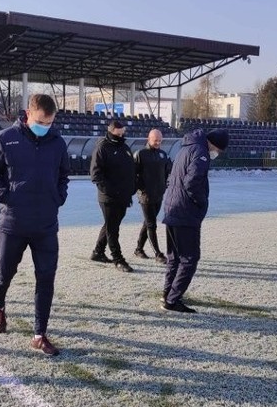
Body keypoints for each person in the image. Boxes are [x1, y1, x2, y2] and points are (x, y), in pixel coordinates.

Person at [0, 94, 69, 356]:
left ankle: (39, 334)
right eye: (42, 121)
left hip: (45, 224)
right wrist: (5, 195)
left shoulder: (57, 142)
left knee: (46, 277)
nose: (46, 126)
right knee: (4, 273)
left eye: (50, 122)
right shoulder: (6, 139)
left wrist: (59, 196)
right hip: (13, 223)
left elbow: (63, 175)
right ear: (29, 115)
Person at [161, 128, 228, 313]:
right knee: (190, 258)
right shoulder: (201, 153)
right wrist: (201, 202)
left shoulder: (185, 148)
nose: (217, 154)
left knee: (174, 257)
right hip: (185, 212)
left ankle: (167, 293)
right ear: (214, 145)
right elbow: (192, 182)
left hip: (172, 207)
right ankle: (173, 300)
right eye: (219, 150)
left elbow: (172, 179)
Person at [89, 120, 137, 272]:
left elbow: (130, 169)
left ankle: (98, 252)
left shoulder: (124, 147)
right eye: (118, 134)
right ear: (111, 132)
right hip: (108, 197)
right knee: (113, 228)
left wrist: (131, 188)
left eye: (123, 133)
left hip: (123, 196)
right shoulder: (102, 147)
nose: (121, 136)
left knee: (111, 225)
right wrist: (109, 191)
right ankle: (118, 259)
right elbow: (96, 174)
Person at [133, 128, 172, 264]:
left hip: (159, 194)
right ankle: (158, 253)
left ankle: (139, 249)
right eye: (155, 140)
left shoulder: (163, 154)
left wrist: (164, 186)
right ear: (148, 139)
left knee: (148, 222)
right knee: (151, 224)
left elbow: (167, 172)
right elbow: (133, 174)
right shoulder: (140, 154)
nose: (158, 143)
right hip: (145, 195)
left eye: (160, 141)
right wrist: (140, 187)